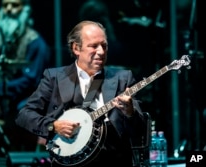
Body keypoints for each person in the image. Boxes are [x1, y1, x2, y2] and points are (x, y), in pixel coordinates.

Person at [15, 20, 147, 166]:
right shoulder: (54, 78)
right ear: (76, 48)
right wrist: (53, 126)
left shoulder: (123, 78)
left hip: (113, 159)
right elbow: (24, 115)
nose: (101, 52)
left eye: (104, 46)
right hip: (67, 161)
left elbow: (140, 130)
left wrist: (130, 112)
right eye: (93, 46)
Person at [0, 0, 51, 151]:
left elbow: (31, 80)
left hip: (30, 100)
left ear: (25, 9)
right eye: (5, 5)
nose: (9, 9)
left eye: (15, 5)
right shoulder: (0, 41)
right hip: (7, 99)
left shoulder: (36, 43)